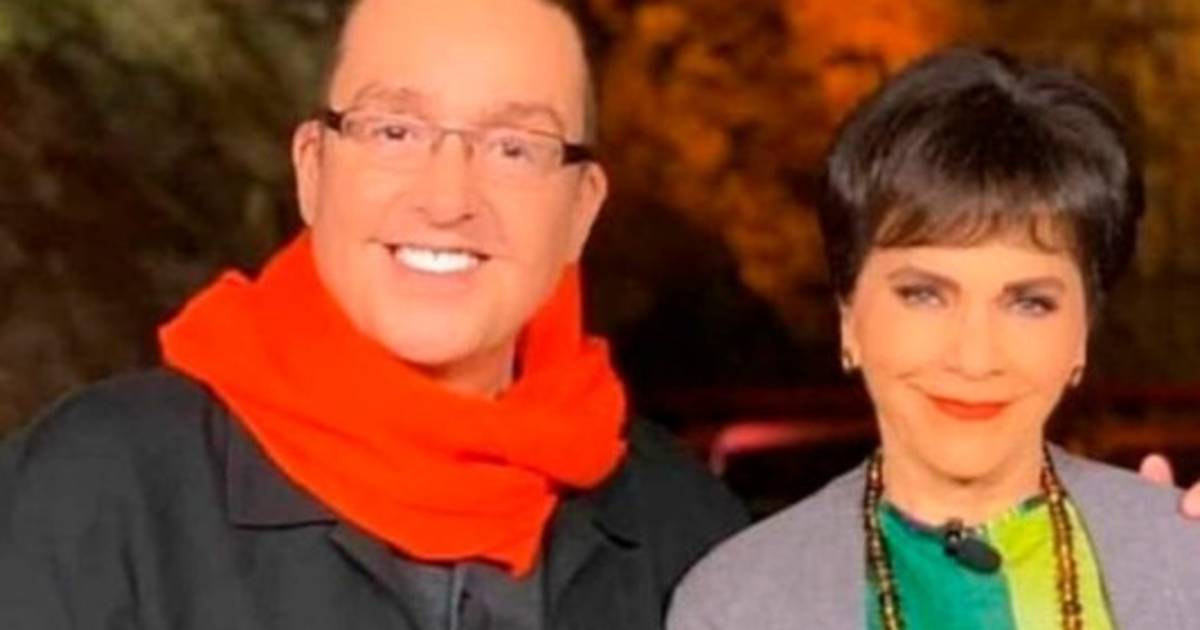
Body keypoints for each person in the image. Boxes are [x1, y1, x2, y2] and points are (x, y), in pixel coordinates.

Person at [0, 1, 748, 628]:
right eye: (395, 132)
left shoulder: (684, 533)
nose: (447, 199)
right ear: (312, 169)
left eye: (514, 149)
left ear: (581, 210)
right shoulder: (95, 492)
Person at [667, 47, 1200, 630]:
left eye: (1029, 303)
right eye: (924, 294)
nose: (974, 357)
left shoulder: (1181, 557)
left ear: (1082, 334)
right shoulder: (739, 602)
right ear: (849, 316)